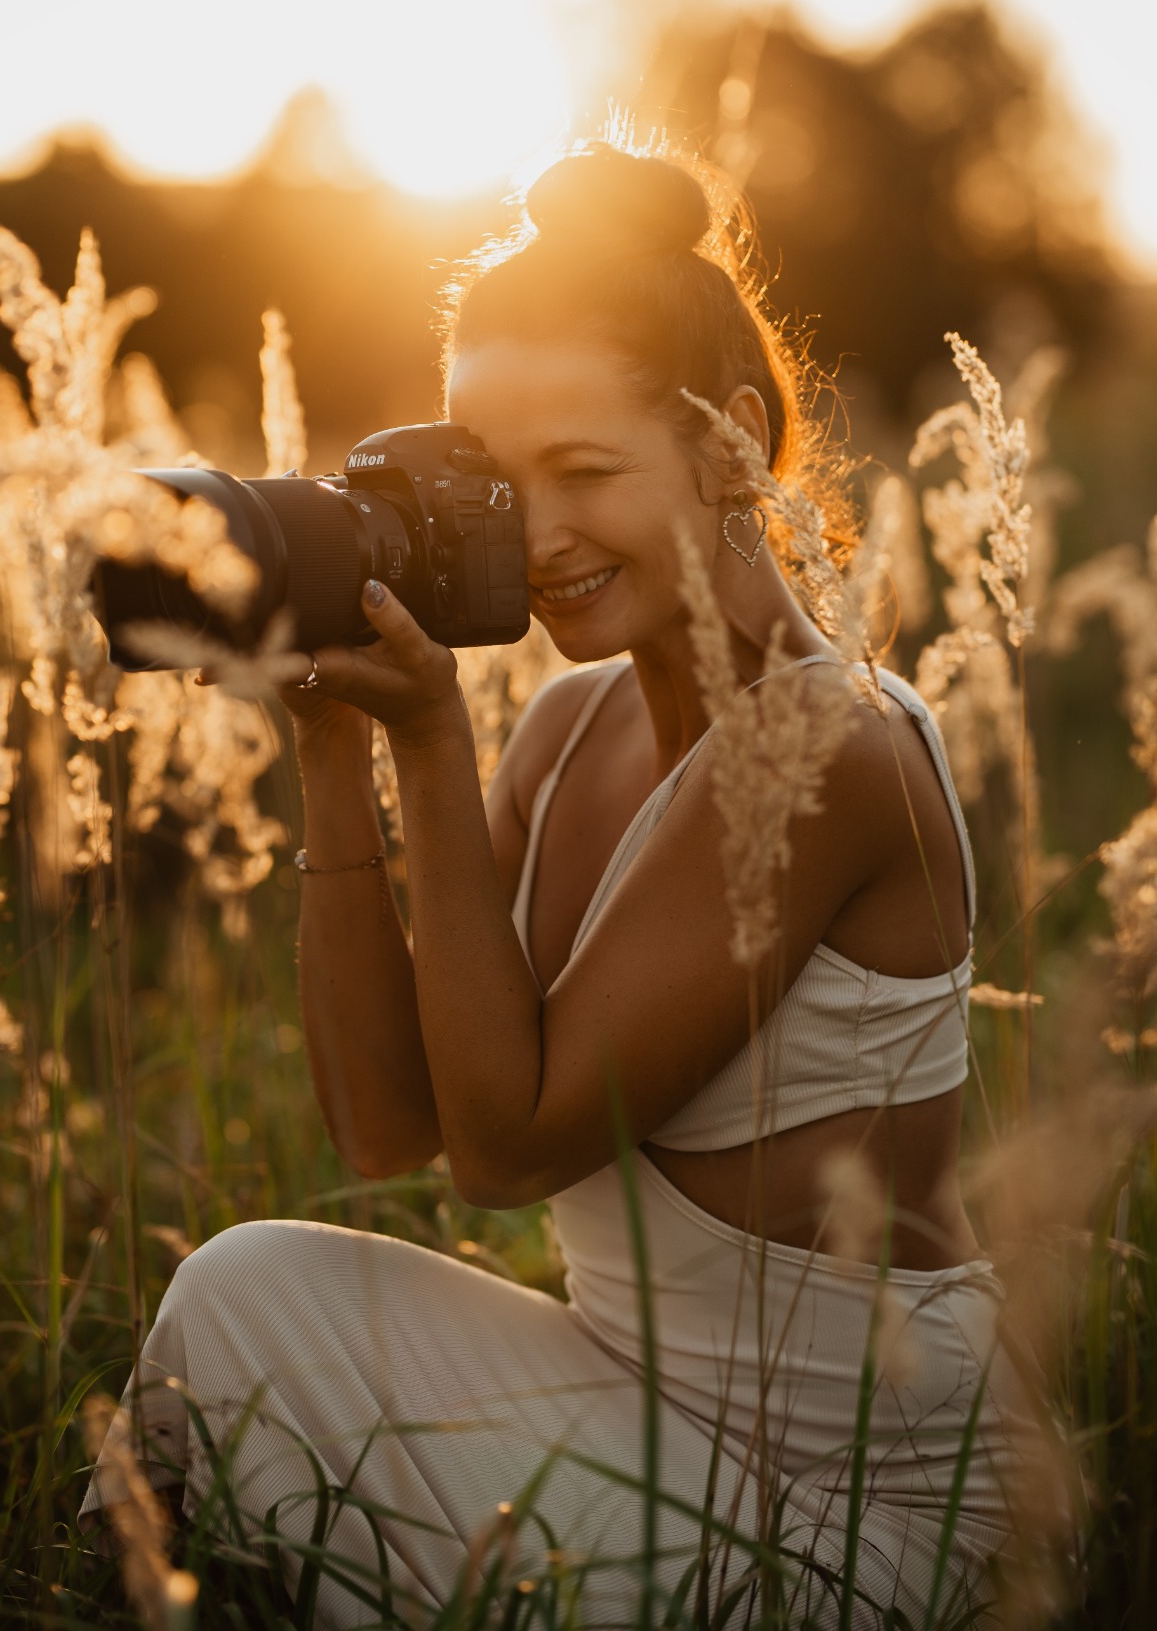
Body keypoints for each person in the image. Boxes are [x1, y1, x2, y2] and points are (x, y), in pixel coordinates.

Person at [82, 141, 1040, 1626]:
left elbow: (509, 1150)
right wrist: (332, 744)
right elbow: (390, 1125)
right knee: (238, 1291)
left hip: (845, 1507)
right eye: (493, 480)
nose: (531, 541)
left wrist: (427, 746)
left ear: (729, 442)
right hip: (629, 1414)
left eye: (583, 472)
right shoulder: (569, 722)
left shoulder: (824, 747)